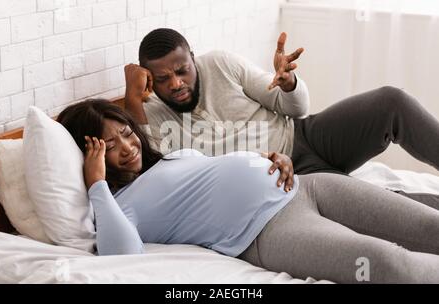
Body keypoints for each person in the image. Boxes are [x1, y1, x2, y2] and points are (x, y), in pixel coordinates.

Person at [57, 99, 439, 284]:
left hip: (305, 186)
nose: (127, 146)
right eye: (110, 145)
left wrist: (273, 159)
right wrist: (97, 185)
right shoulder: (118, 205)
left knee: (431, 228)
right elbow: (121, 255)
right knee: (388, 265)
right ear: (91, 155)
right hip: (268, 233)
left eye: (126, 133)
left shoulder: (168, 159)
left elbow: (217, 172)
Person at [124, 28, 439, 206]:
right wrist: (132, 97)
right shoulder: (148, 116)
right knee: (385, 206)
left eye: (182, 71)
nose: (176, 83)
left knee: (390, 102)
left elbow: (295, 108)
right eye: (163, 79)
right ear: (148, 79)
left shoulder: (219, 63)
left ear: (193, 58)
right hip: (284, 181)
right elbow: (150, 168)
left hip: (304, 135)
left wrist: (288, 84)